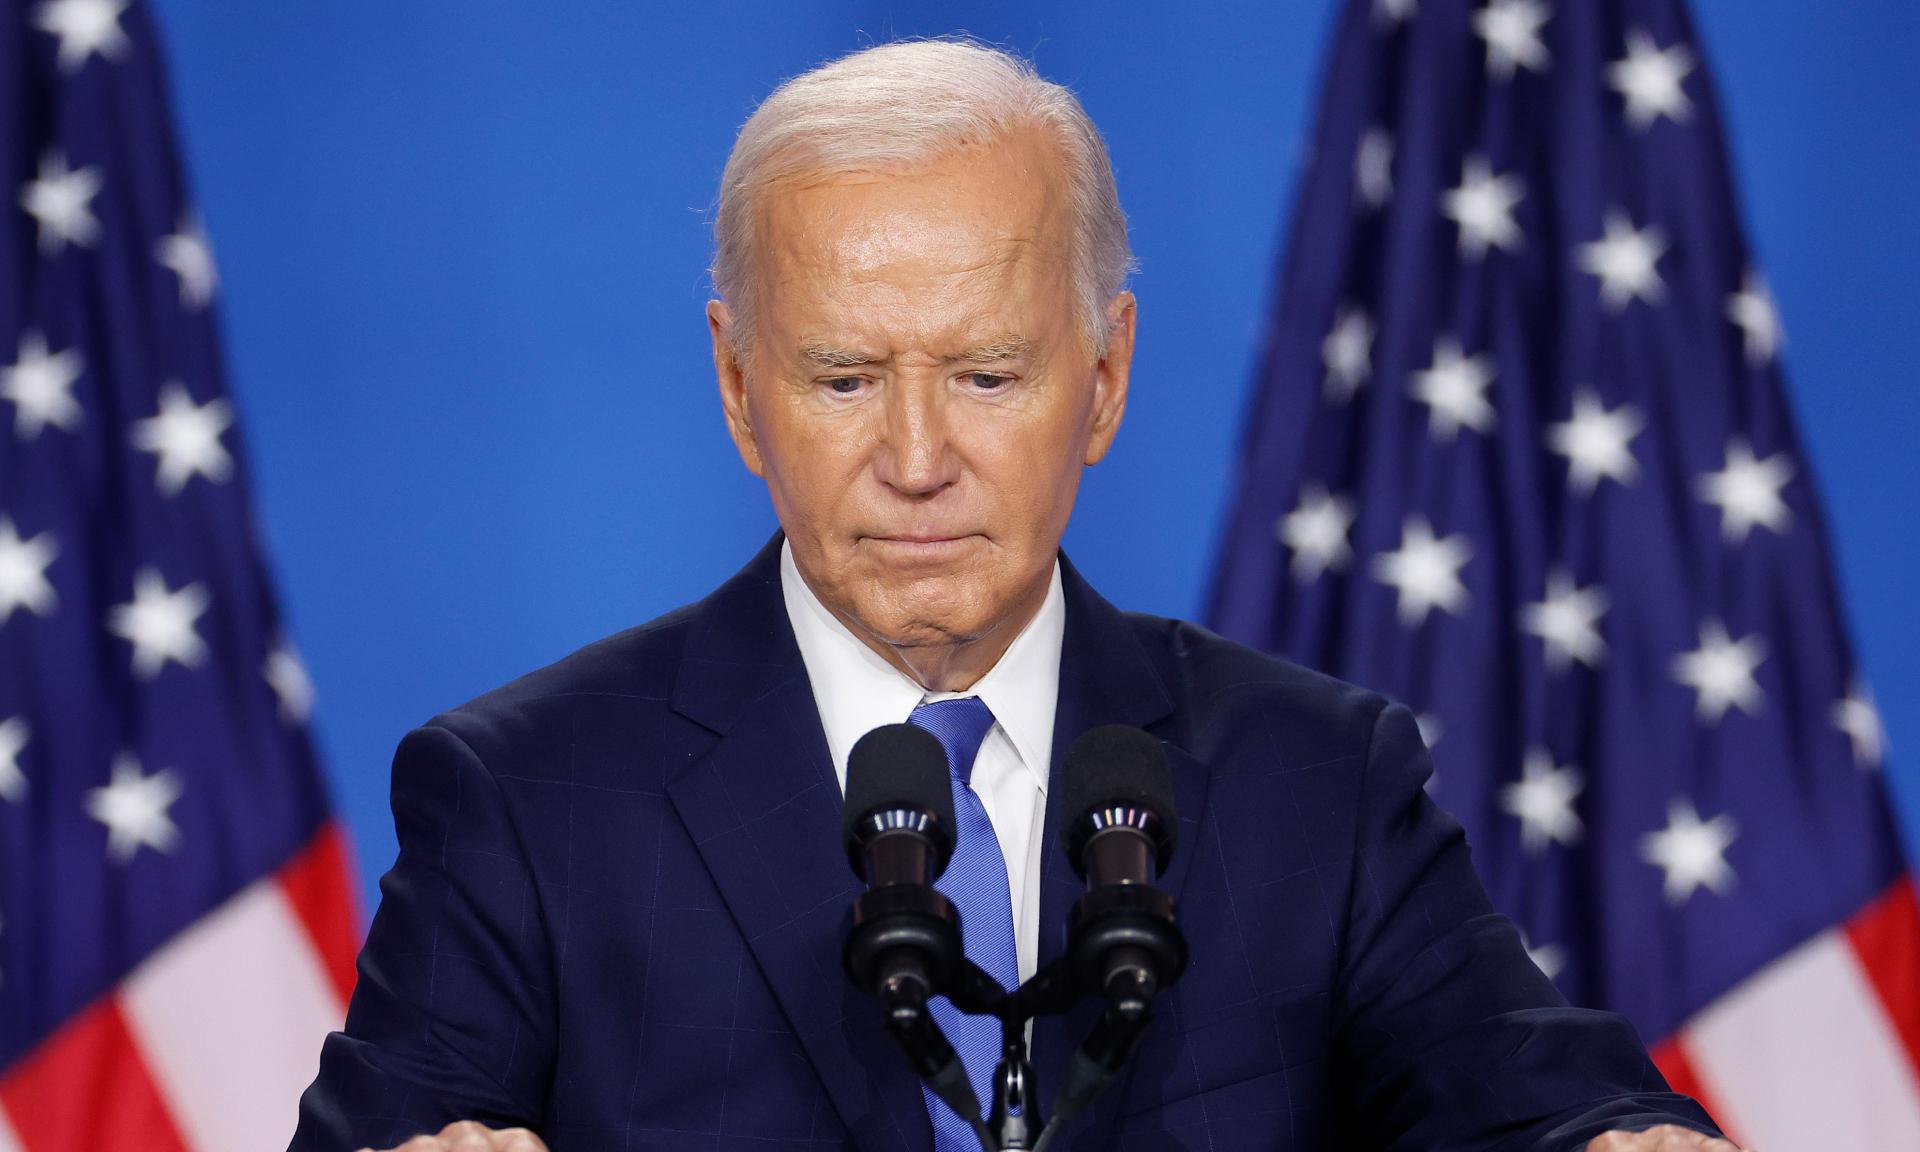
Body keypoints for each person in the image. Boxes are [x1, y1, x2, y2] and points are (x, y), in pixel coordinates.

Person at [291, 39, 1747, 1152]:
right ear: (740, 392)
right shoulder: (532, 798)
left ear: (1104, 377)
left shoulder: (1318, 780)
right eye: (843, 379)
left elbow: (1544, 1105)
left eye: (989, 376)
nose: (917, 461)